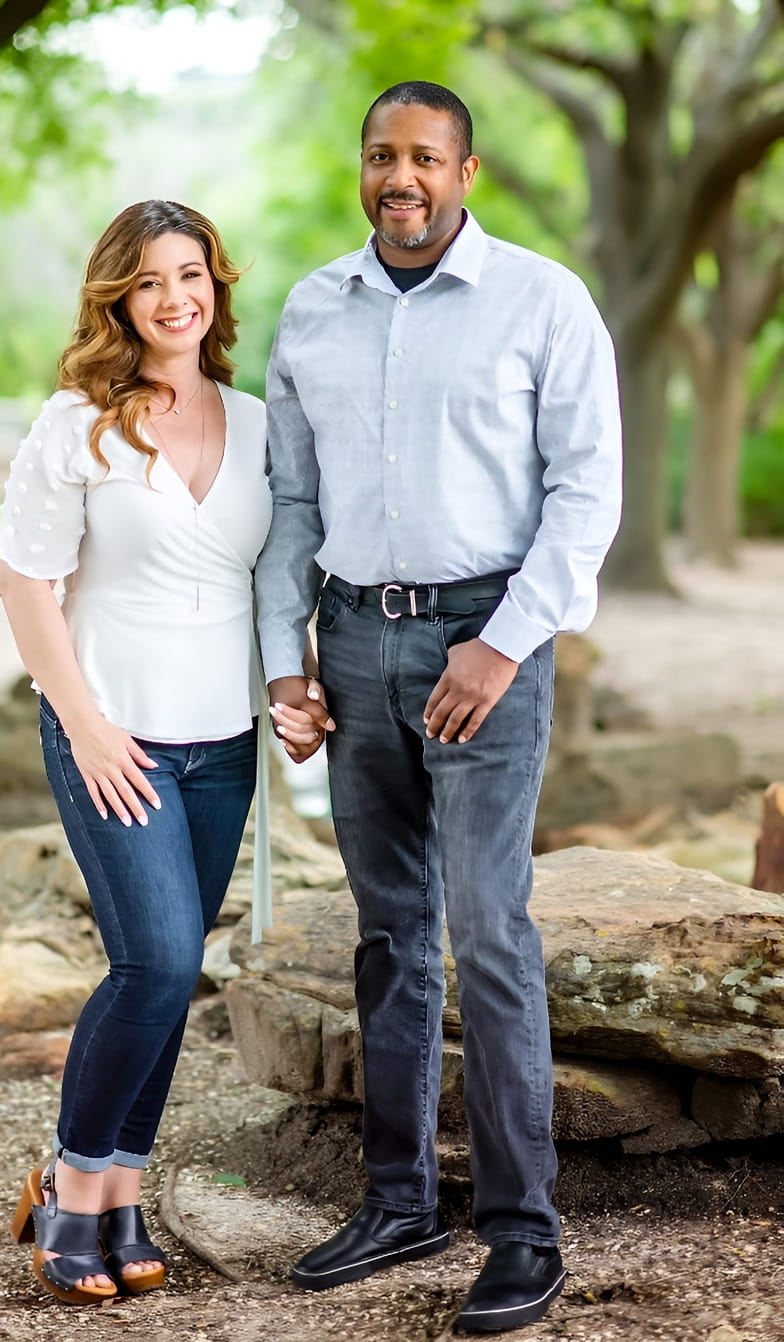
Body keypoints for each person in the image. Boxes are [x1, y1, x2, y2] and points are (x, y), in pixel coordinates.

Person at [255, 82, 622, 1333]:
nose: (397, 176)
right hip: (353, 641)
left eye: (422, 157)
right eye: (379, 156)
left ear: (467, 173)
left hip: (487, 646)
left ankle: (524, 1230)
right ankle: (398, 1198)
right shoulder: (313, 308)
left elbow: (585, 492)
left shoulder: (542, 301)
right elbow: (291, 509)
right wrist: (285, 661)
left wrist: (503, 644)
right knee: (387, 930)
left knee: (491, 932)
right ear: (361, 172)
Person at [0, 199, 321, 1306]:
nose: (175, 296)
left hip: (221, 747)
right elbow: (24, 584)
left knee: (171, 980)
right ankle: (69, 1187)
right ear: (117, 300)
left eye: (193, 274)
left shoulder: (259, 423)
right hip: (112, 737)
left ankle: (119, 1197)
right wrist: (84, 723)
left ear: (216, 287)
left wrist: (295, 687)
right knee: (158, 962)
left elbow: (275, 579)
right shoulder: (74, 422)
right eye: (149, 281)